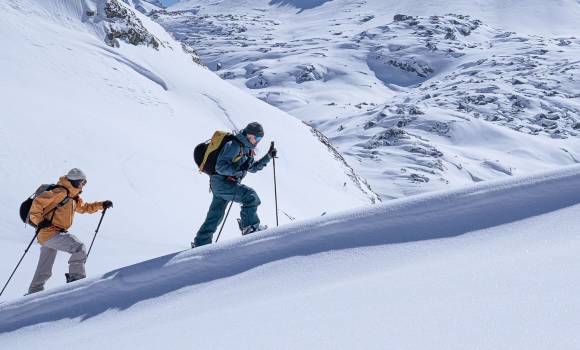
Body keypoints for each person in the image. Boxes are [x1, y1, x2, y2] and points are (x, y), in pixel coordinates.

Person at [27, 168, 113, 294]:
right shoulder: (60, 192)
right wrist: (39, 221)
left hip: (47, 234)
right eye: (82, 182)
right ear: (75, 181)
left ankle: (34, 292)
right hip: (50, 232)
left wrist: (101, 204)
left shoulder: (72, 197)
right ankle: (76, 280)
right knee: (79, 248)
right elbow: (37, 203)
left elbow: (84, 208)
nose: (83, 185)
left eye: (84, 182)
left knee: (44, 268)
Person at [193, 122, 277, 247]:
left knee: (215, 216)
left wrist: (268, 156)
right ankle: (250, 227)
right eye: (256, 137)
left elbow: (252, 168)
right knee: (250, 196)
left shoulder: (247, 148)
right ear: (249, 134)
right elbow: (220, 167)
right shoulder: (234, 145)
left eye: (260, 138)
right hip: (221, 182)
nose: (257, 141)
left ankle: (201, 243)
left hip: (222, 184)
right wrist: (238, 169)